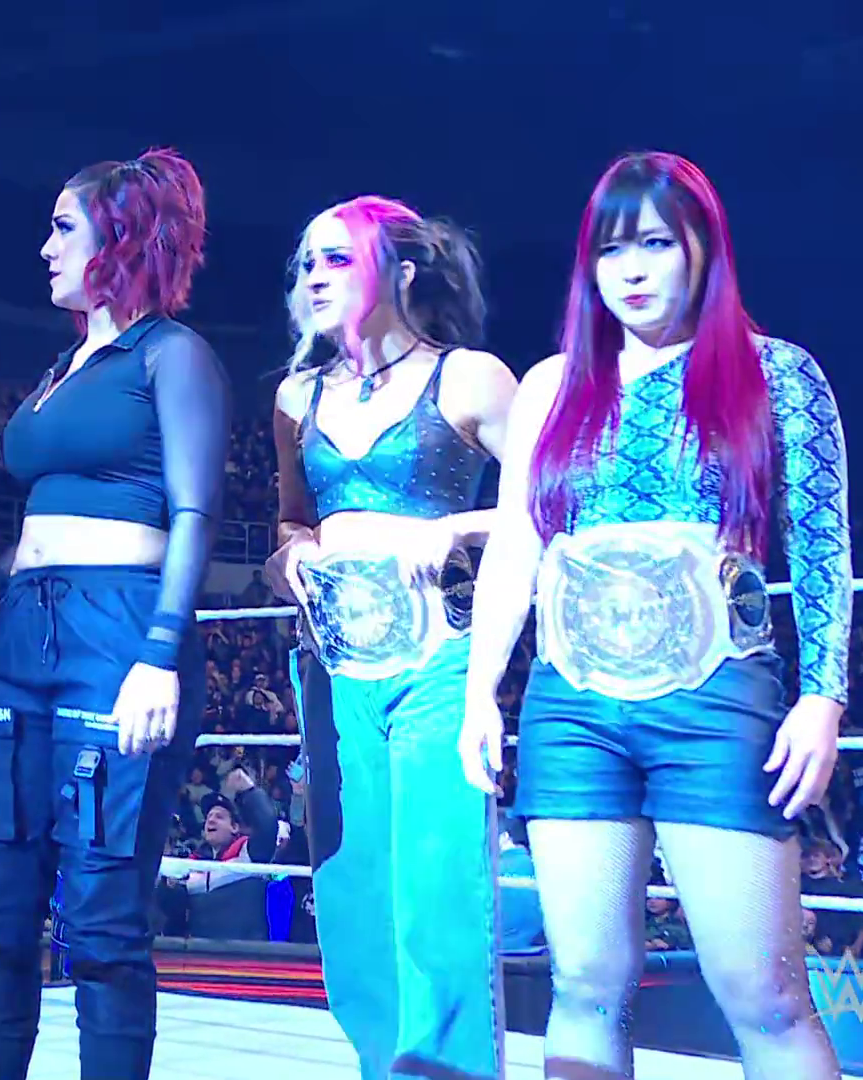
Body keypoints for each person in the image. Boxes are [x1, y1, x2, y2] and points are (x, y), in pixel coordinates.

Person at [458, 150, 851, 1079]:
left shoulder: (778, 374)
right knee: (585, 985)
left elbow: (823, 545)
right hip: (571, 707)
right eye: (610, 250)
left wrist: (824, 697)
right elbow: (516, 546)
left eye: (655, 245)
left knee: (764, 992)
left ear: (703, 249)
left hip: (717, 702)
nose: (630, 271)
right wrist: (481, 692)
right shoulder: (552, 384)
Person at [0, 148, 227, 1080]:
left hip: (120, 632)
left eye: (62, 228)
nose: (45, 247)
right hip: (23, 633)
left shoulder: (170, 353)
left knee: (102, 913)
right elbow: (39, 535)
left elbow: (195, 513)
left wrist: (159, 653)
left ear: (118, 238)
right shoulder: (64, 366)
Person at [262, 194, 516, 1078]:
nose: (314, 277)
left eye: (337, 258)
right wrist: (290, 556)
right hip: (332, 668)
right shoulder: (296, 398)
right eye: (306, 261)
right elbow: (291, 519)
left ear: (402, 271)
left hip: (439, 660)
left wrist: (458, 527)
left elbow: (555, 505)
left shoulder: (470, 377)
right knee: (353, 899)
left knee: (437, 891)